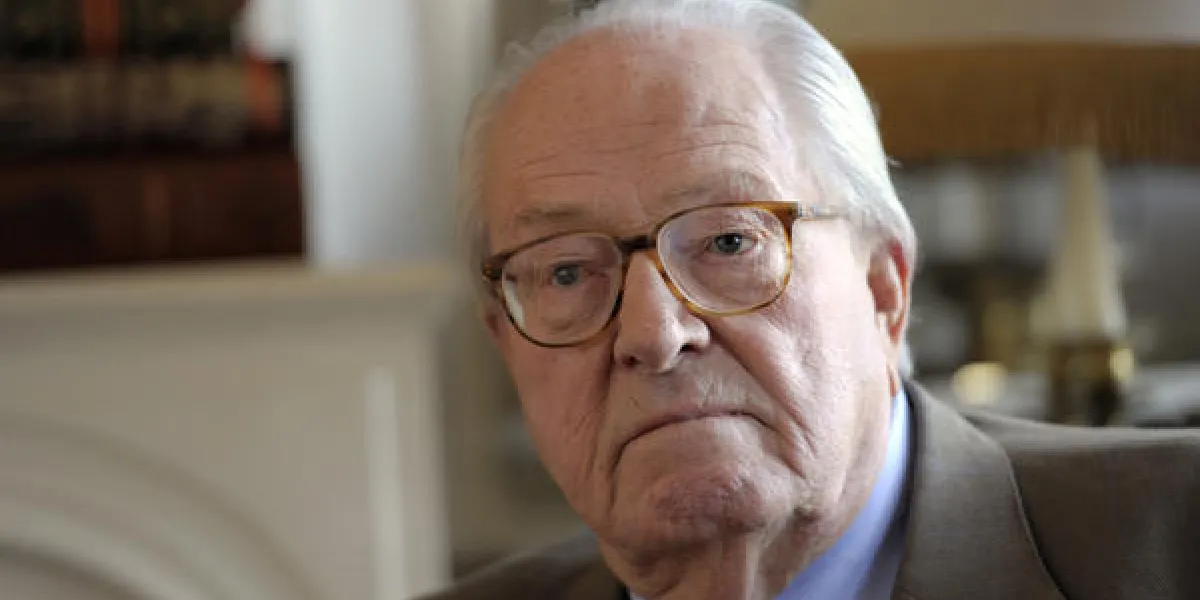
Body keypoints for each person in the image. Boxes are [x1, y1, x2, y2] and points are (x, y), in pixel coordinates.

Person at [422, 1, 1200, 598]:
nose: (654, 333)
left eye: (730, 242)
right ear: (506, 342)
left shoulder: (1174, 542)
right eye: (564, 272)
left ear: (882, 288)